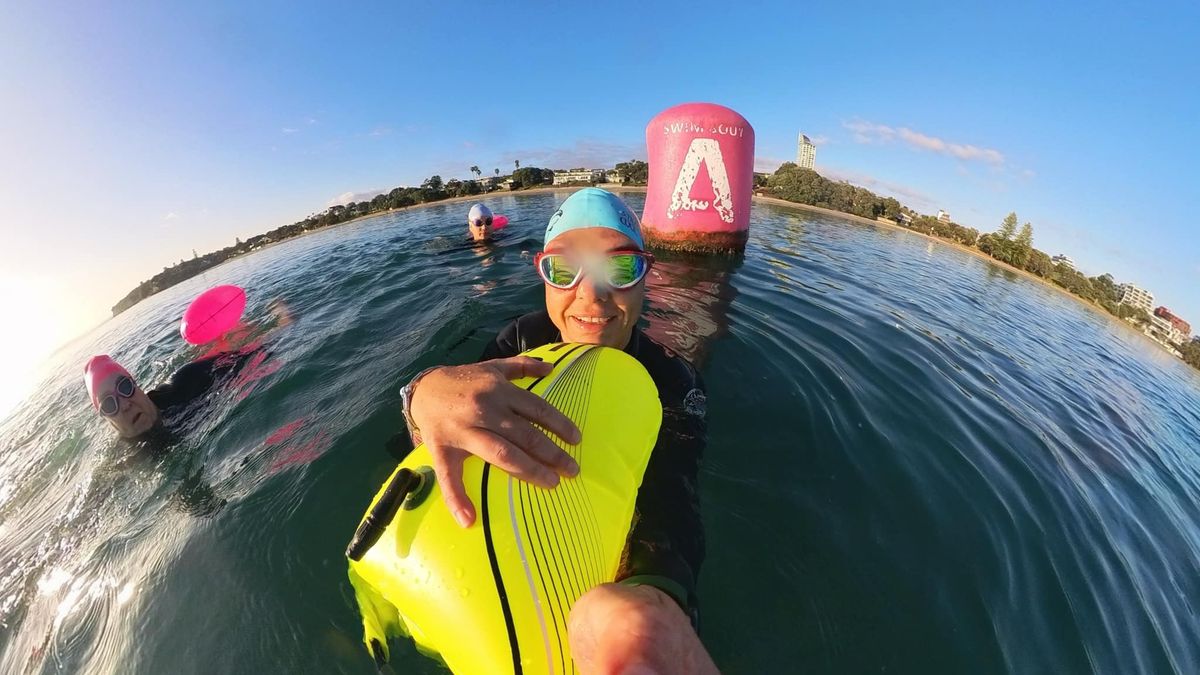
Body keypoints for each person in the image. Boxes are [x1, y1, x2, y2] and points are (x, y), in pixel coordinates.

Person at [400, 188, 718, 673]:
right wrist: (421, 395)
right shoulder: (520, 342)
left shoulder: (674, 381)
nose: (592, 295)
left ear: (646, 278)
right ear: (542, 276)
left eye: (621, 267)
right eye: (566, 270)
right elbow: (460, 419)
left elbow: (673, 491)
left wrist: (654, 594)